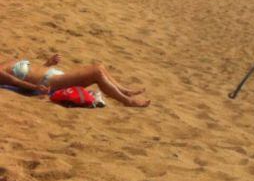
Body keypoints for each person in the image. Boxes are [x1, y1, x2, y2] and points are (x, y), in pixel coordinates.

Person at [1, 53, 149, 108]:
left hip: (52, 74)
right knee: (96, 72)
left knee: (99, 67)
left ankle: (125, 91)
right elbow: (16, 82)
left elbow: (30, 72)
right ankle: (126, 101)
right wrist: (36, 87)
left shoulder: (5, 63)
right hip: (49, 81)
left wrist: (47, 64)